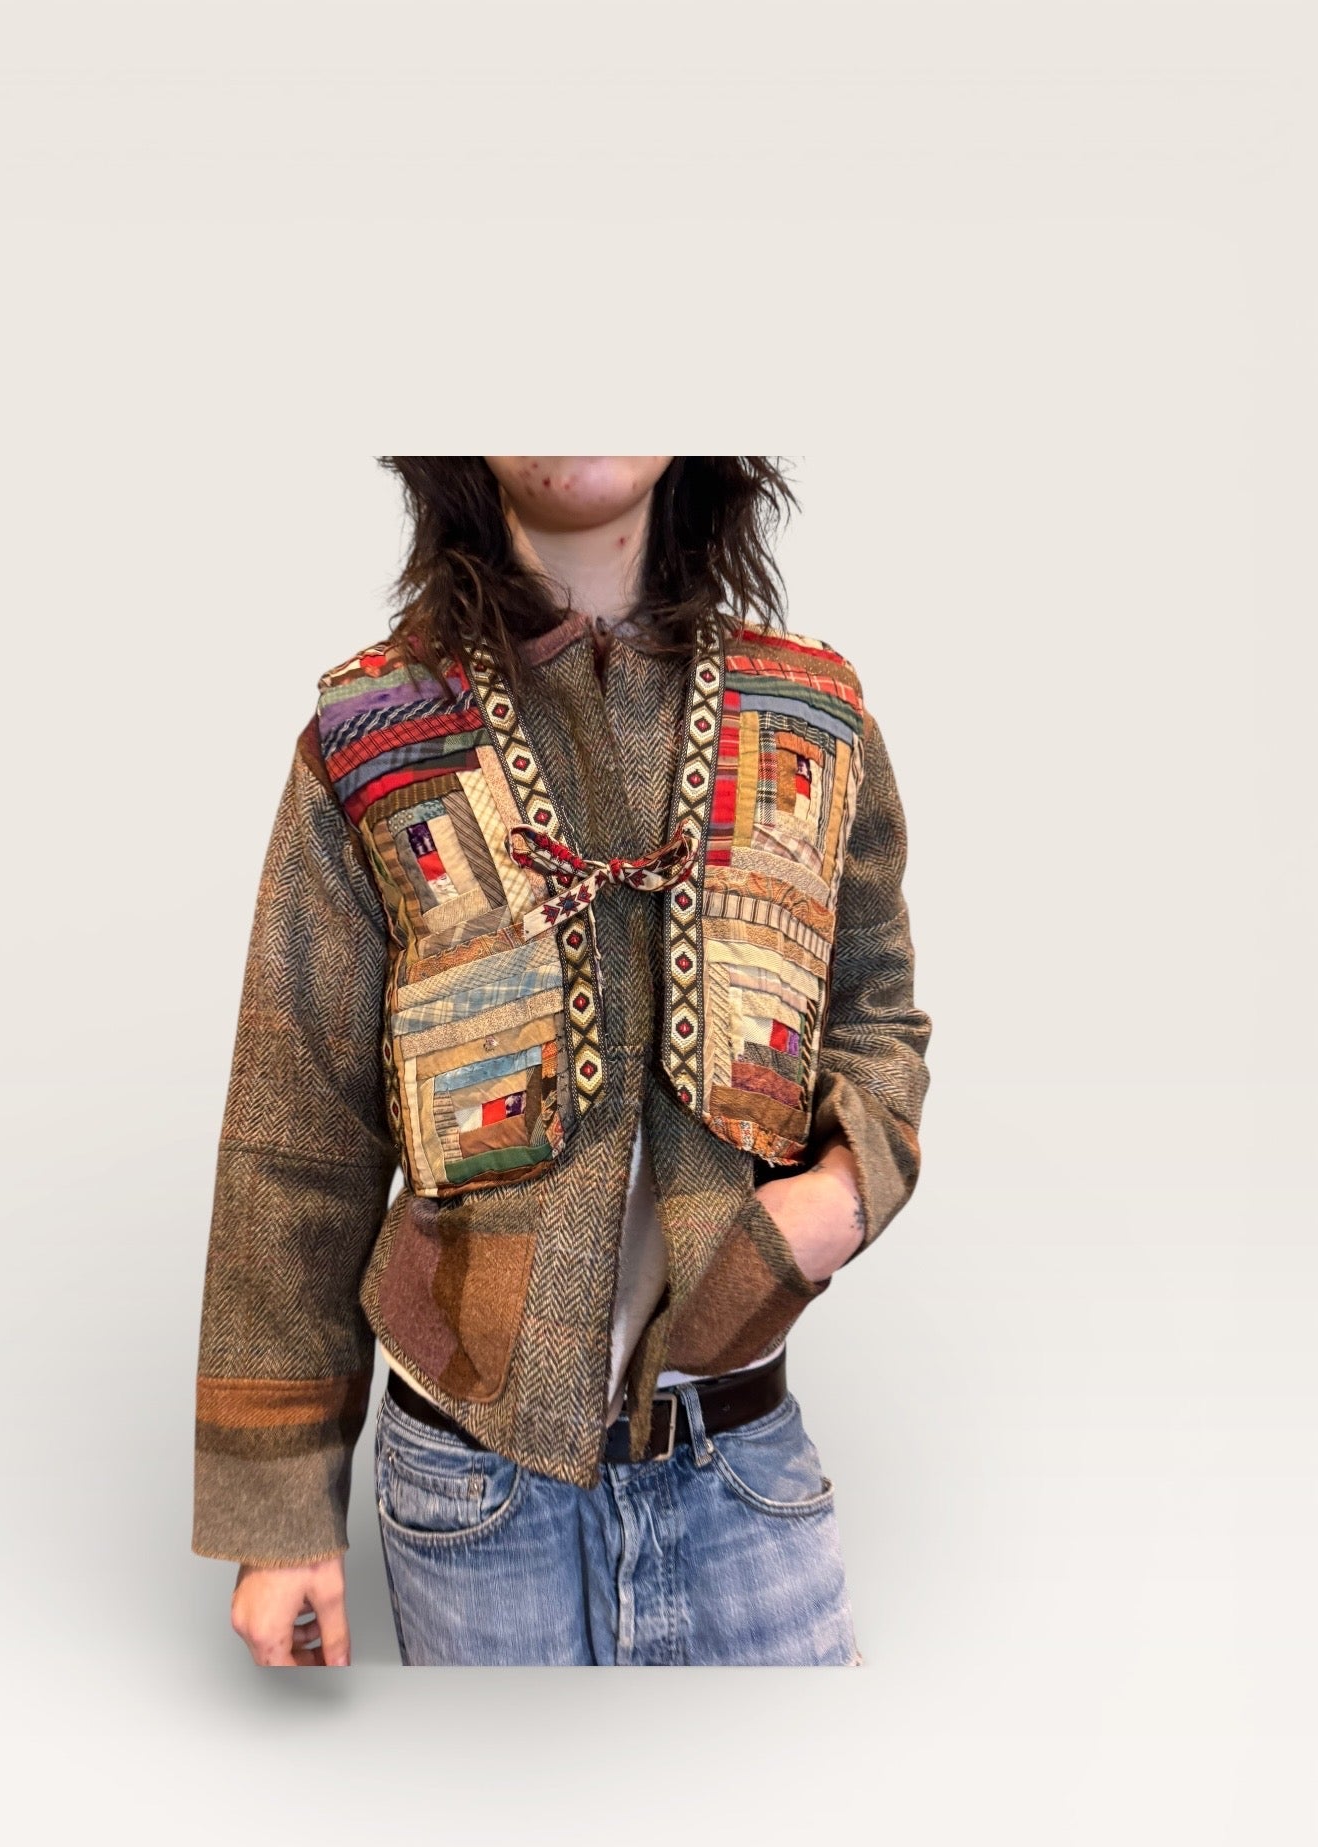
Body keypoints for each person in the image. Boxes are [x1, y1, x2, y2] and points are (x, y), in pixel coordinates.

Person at [192, 455, 933, 1666]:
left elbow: (879, 1015)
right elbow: (298, 1134)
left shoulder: (814, 714)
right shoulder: (371, 735)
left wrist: (840, 1200)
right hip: (470, 1487)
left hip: (742, 1459)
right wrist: (279, 1515)